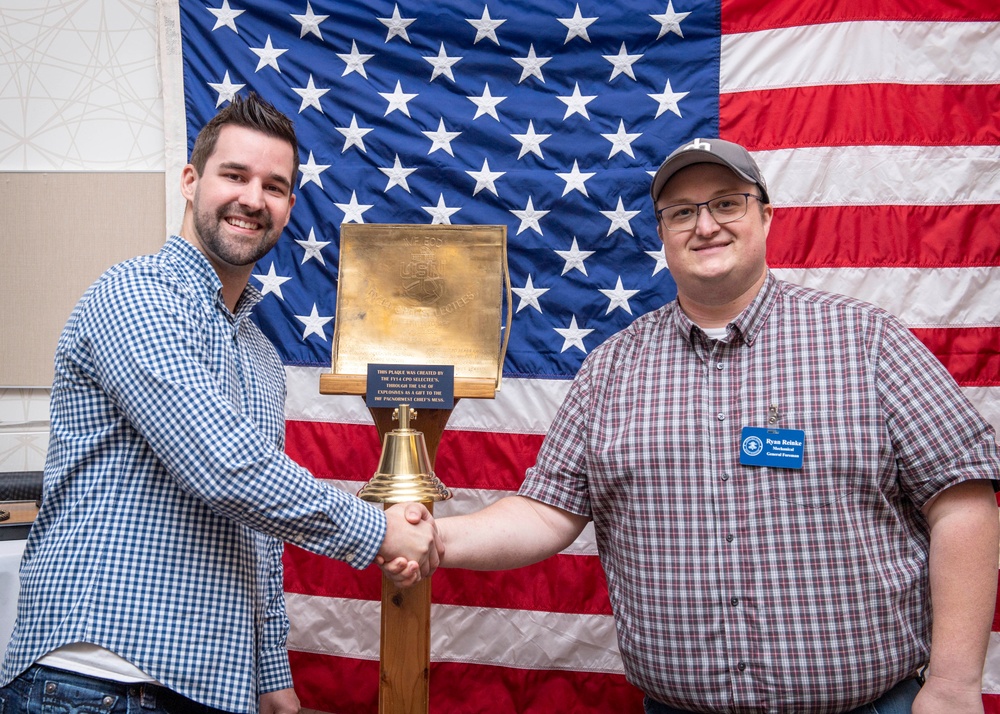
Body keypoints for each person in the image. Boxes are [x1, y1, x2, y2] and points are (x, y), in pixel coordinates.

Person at [432, 138, 1000, 713]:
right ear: (662, 231)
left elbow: (963, 502)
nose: (705, 226)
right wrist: (436, 539)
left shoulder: (867, 342)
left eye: (727, 203)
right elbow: (543, 511)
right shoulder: (611, 367)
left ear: (765, 214)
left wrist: (953, 686)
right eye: (682, 212)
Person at [0, 93, 438, 714]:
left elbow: (254, 521)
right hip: (95, 683)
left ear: (288, 207)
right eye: (235, 175)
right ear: (190, 180)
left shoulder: (259, 353)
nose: (253, 199)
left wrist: (272, 678)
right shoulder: (137, 294)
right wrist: (381, 529)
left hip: (207, 690)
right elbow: (224, 466)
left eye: (275, 186)